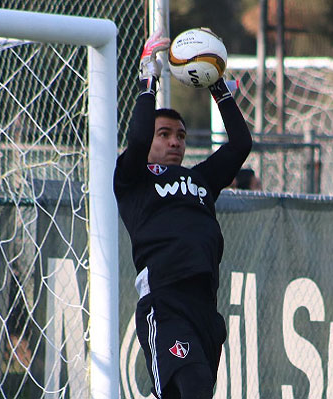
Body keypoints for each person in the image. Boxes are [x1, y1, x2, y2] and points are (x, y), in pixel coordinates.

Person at [113, 30, 252, 399]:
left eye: (180, 135)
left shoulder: (200, 180)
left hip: (205, 308)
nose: (174, 141)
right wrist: (149, 79)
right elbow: (139, 139)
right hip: (166, 302)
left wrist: (217, 84)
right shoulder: (133, 179)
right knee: (193, 389)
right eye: (164, 134)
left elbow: (241, 143)